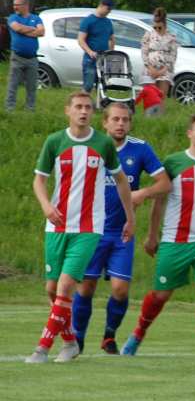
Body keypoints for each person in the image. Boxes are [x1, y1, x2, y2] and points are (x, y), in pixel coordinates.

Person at [25, 92, 135, 364]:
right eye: (78, 107)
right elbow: (39, 181)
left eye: (87, 107)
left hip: (89, 229)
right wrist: (46, 207)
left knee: (65, 287)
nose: (83, 111)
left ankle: (42, 348)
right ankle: (71, 341)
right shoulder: (54, 142)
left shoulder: (103, 144)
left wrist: (130, 218)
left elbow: (121, 181)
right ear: (68, 111)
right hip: (57, 226)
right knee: (52, 289)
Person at [121, 113, 195, 364]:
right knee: (161, 295)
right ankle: (138, 334)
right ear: (190, 133)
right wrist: (152, 235)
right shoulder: (173, 163)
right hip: (175, 240)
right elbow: (159, 201)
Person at [70, 103, 170, 354]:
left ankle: (109, 336)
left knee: (120, 289)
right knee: (86, 287)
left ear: (130, 123)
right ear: (104, 122)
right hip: (91, 230)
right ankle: (78, 338)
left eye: (125, 120)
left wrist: (143, 193)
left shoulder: (140, 149)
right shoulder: (91, 146)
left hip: (122, 231)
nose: (120, 124)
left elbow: (165, 184)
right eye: (115, 119)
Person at [5, 0, 44, 112]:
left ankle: (30, 110)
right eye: (14, 5)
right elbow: (17, 28)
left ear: (26, 5)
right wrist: (33, 29)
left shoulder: (36, 18)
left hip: (32, 59)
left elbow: (42, 32)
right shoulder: (12, 17)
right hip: (17, 57)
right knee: (13, 85)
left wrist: (25, 30)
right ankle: (9, 109)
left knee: (32, 86)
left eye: (17, 5)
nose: (14, 7)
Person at [77, 0, 115, 93]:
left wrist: (110, 52)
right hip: (91, 59)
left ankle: (101, 104)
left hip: (103, 58)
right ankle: (83, 102)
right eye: (108, 9)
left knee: (103, 85)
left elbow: (111, 39)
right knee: (88, 85)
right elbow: (81, 39)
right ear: (101, 5)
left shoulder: (108, 22)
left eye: (110, 10)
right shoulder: (88, 21)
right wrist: (90, 52)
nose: (109, 12)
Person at [141, 7, 178, 99]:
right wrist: (150, 68)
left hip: (164, 70)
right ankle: (150, 113)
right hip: (150, 69)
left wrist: (162, 71)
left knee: (161, 95)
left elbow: (173, 56)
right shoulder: (148, 35)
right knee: (150, 96)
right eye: (155, 27)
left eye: (159, 27)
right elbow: (144, 52)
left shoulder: (171, 37)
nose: (157, 29)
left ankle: (160, 113)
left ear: (164, 25)